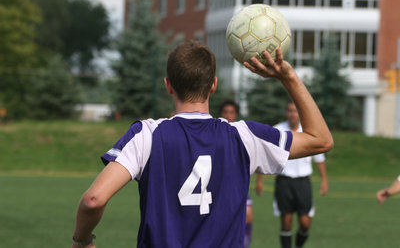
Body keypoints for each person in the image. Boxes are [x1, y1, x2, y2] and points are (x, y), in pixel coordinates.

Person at [71, 41, 333, 248]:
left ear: (168, 86)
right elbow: (320, 139)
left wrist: (82, 241)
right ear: (214, 86)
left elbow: (94, 200)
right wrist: (288, 77)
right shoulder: (244, 137)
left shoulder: (146, 135)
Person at [256, 102, 329, 248]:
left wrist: (324, 180)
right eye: (290, 110)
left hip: (303, 182)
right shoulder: (278, 130)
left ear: (300, 113)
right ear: (286, 113)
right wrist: (259, 180)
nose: (293, 114)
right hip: (284, 181)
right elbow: (265, 154)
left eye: (296, 111)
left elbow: (319, 158)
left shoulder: (308, 131)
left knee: (305, 223)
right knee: (286, 222)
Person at [219, 100, 253, 248]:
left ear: (236, 114)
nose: (228, 115)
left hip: (237, 185)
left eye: (231, 112)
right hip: (217, 186)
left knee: (248, 215)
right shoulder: (215, 131)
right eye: (225, 112)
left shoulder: (242, 133)